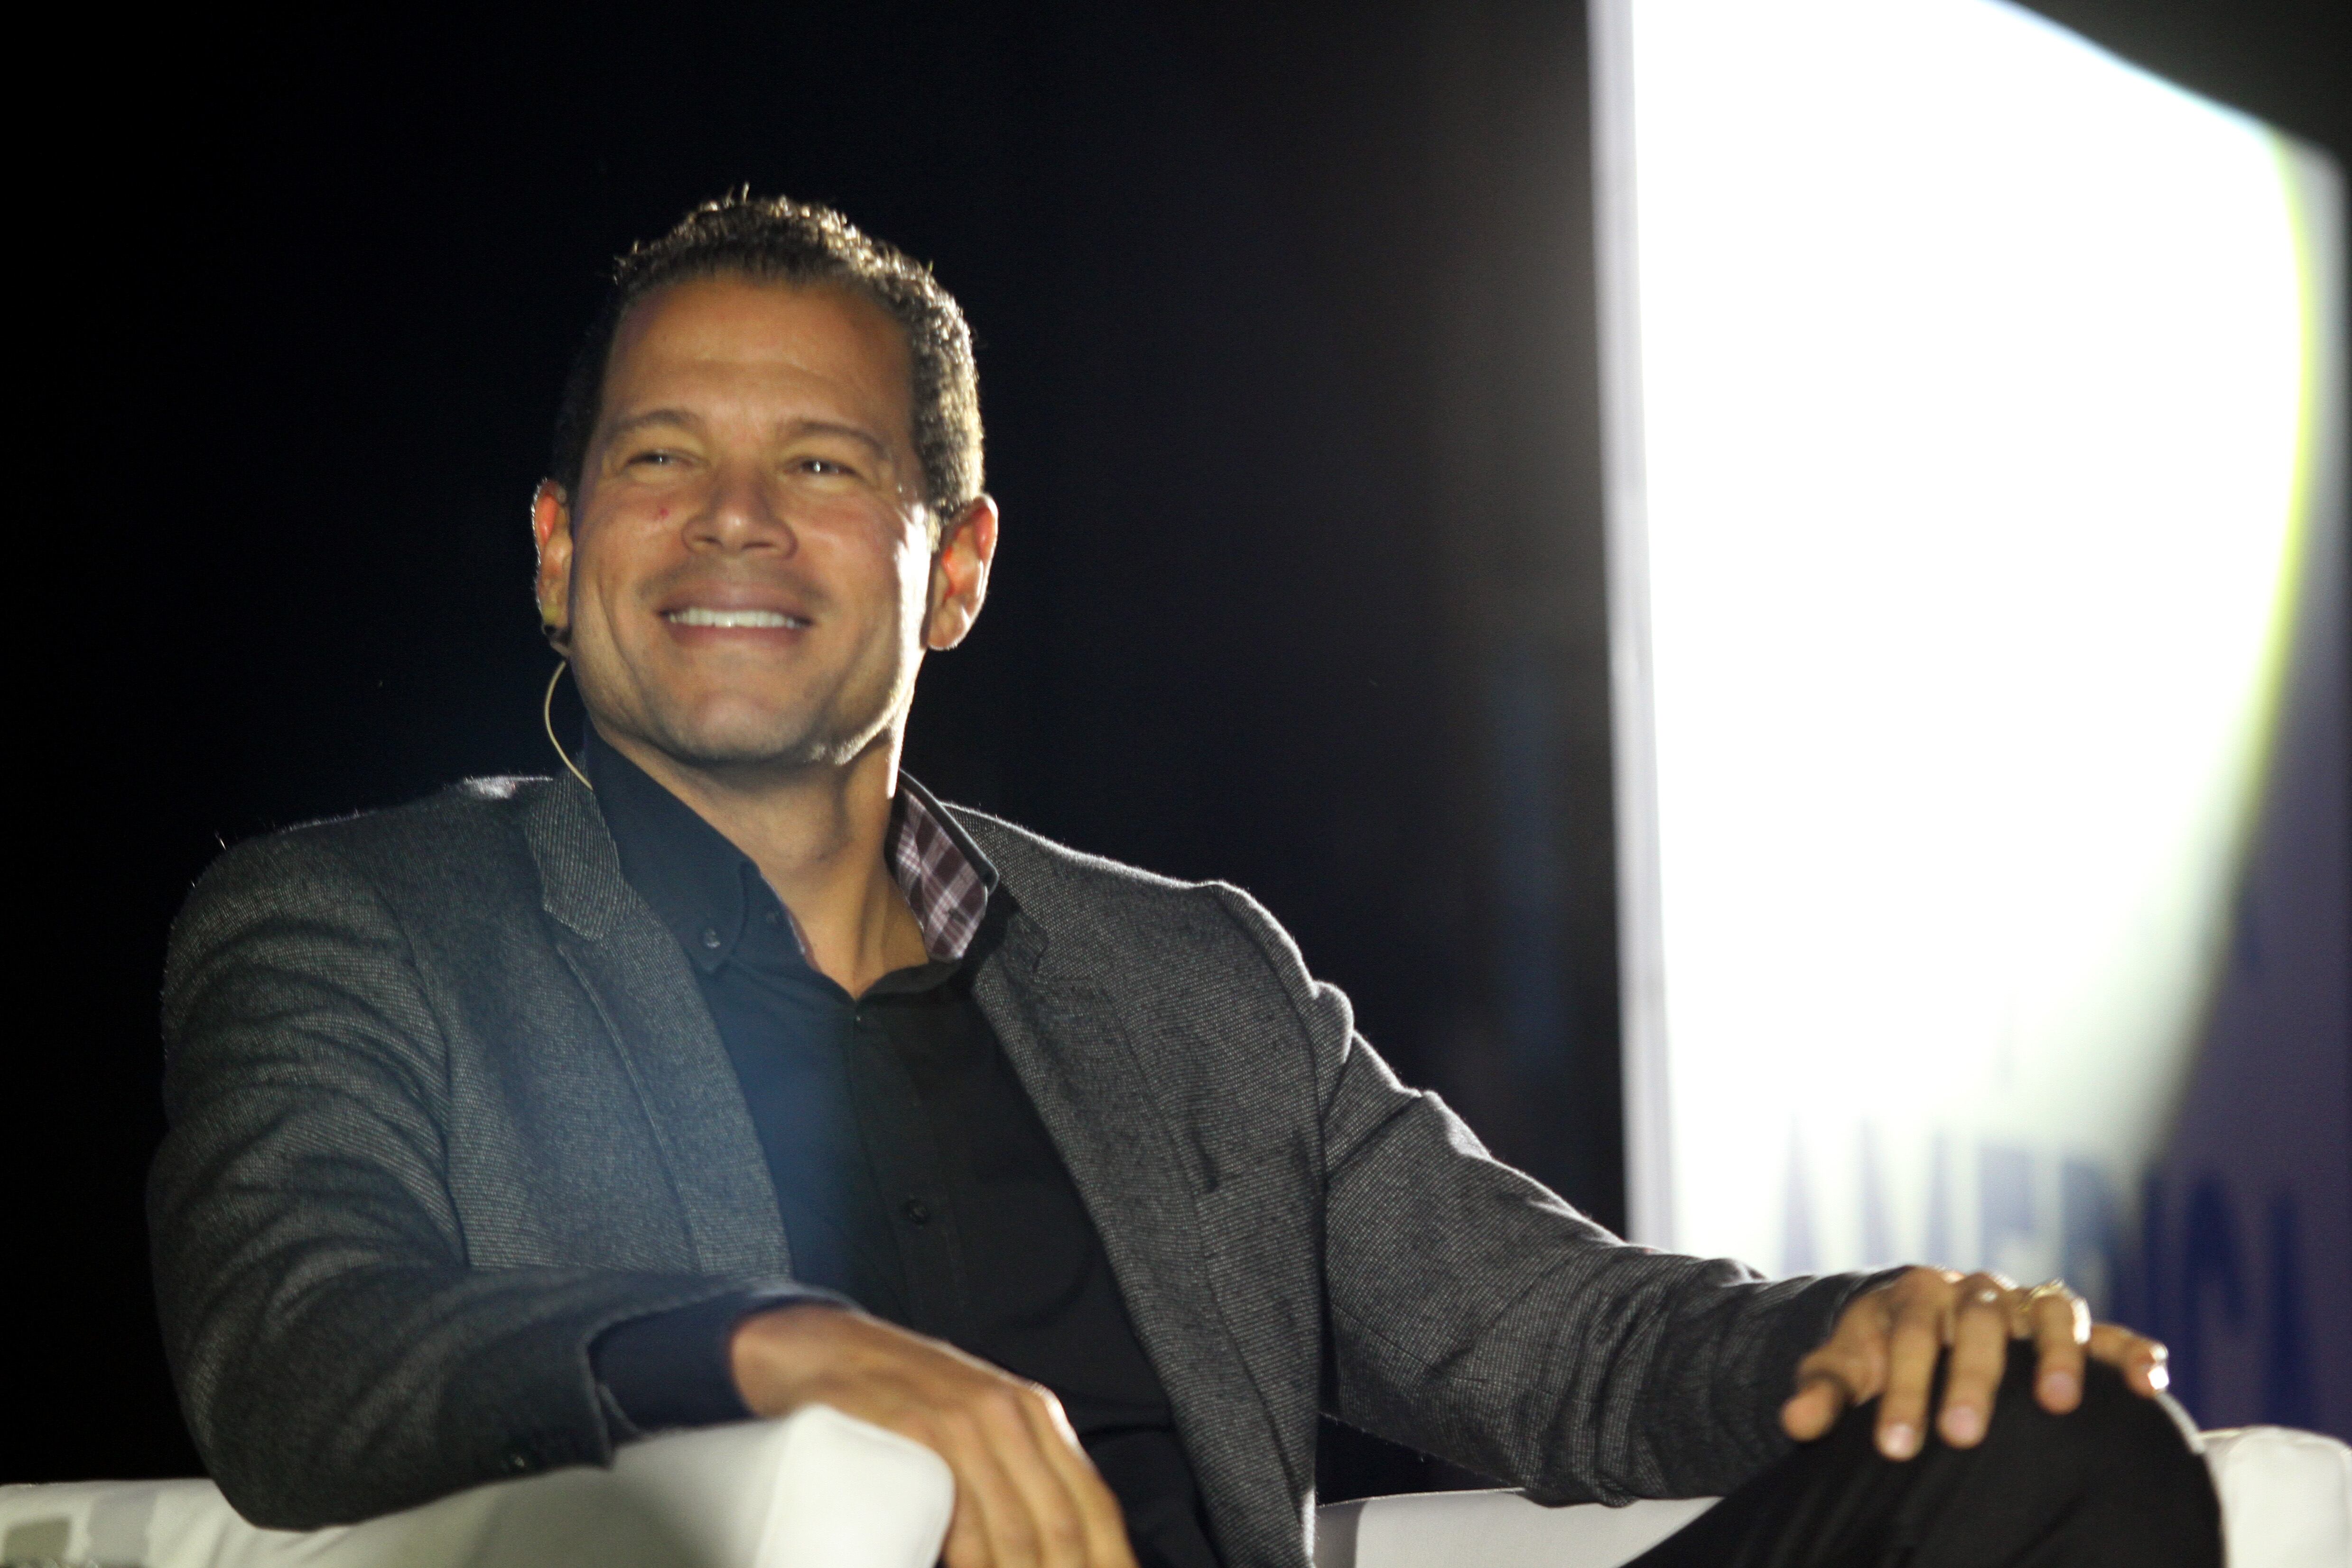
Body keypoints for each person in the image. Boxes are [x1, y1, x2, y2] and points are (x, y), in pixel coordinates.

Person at [151, 195, 2220, 1568]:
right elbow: (307, 1351)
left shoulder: (1189, 979)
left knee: (2058, 1452)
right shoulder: (359, 930)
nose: (728, 525)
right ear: (554, 541)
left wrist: (1874, 1331)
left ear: (951, 568)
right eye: (657, 455)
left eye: (820, 464)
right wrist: (773, 1343)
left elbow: (1562, 1339)